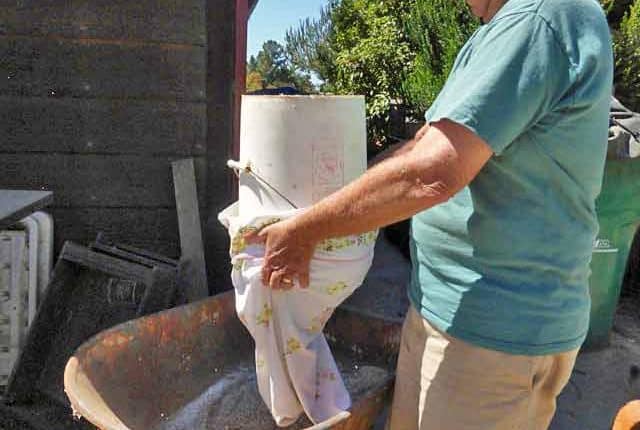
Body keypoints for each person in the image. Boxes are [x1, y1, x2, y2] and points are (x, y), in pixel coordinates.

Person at [247, 0, 614, 428]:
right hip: (453, 314)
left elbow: (434, 172)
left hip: (492, 334)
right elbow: (427, 143)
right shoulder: (510, 26)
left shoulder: (539, 19)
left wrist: (308, 229)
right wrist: (342, 197)